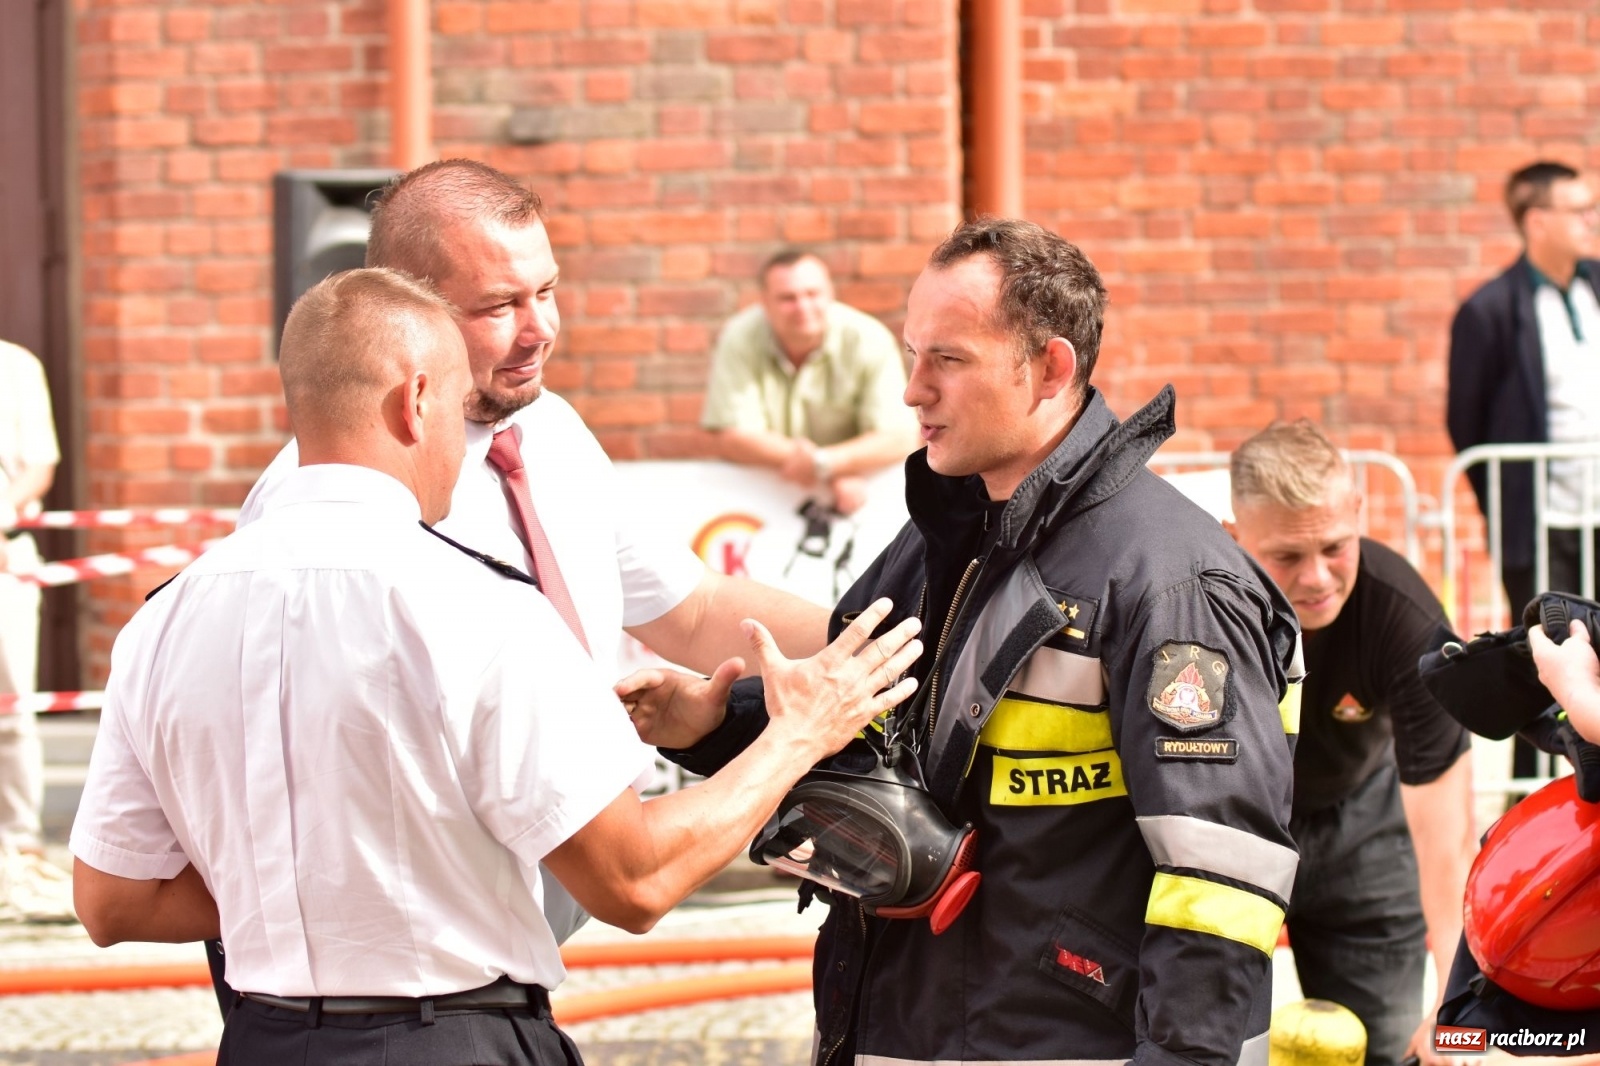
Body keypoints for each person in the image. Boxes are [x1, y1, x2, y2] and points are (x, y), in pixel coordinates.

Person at [69, 268, 923, 1065]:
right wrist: (799, 736)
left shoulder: (164, 617)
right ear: (417, 402)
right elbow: (637, 880)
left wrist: (320, 885)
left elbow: (115, 902)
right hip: (455, 1033)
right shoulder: (476, 603)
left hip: (262, 1035)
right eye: (462, 413)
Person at [628, 219, 1303, 1066]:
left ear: (1051, 368)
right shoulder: (943, 535)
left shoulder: (1168, 582)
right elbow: (874, 731)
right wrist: (714, 725)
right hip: (910, 1028)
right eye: (913, 355)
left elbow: (1220, 876)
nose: (911, 391)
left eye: (947, 359)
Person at [235, 159, 833, 966]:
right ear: (410, 311)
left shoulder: (548, 429)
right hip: (413, 967)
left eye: (546, 291)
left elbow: (689, 610)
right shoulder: (338, 494)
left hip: (521, 945)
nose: (540, 327)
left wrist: (889, 636)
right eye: (500, 305)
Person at [1225, 421, 1477, 1066]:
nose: (1316, 578)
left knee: (1393, 1049)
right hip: (1231, 827)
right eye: (1286, 557)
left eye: (1335, 546)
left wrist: (1459, 1003)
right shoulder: (1194, 601)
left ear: (1358, 513)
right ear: (1236, 534)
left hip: (1361, 829)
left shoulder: (1406, 619)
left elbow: (1447, 836)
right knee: (1205, 1047)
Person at [1448, 161, 1600, 618]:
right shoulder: (1489, 309)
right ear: (1537, 221)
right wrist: (1507, 497)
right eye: (1579, 209)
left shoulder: (1595, 283)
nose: (1591, 219)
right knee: (1550, 648)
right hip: (1542, 524)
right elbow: (1465, 420)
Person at [701, 249, 918, 515]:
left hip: (863, 509)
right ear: (764, 302)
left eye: (812, 294)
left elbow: (900, 437)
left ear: (830, 294)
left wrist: (824, 462)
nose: (803, 307)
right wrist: (829, 472)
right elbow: (732, 437)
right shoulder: (739, 337)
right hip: (764, 508)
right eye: (787, 298)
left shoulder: (868, 338)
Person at [0, 337, 73, 923]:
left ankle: (20, 842)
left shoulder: (17, 367)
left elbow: (40, 467)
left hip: (4, 555)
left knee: (11, 706)